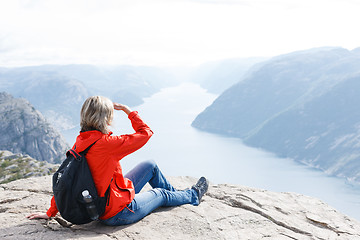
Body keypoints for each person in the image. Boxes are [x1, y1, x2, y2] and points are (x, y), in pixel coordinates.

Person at [27, 96, 209, 225]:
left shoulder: (80, 142)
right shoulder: (107, 144)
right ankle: (192, 196)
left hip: (103, 201)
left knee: (150, 166)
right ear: (105, 118)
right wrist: (130, 112)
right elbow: (145, 134)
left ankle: (176, 198)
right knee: (160, 194)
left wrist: (50, 212)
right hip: (117, 213)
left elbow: (66, 182)